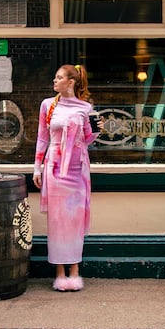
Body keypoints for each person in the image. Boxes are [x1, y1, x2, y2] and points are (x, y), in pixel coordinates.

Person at [33, 64, 102, 292]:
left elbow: (85, 139)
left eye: (59, 77)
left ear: (70, 82)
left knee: (74, 221)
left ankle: (74, 272)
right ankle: (60, 273)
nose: (54, 81)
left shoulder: (85, 108)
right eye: (55, 77)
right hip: (54, 168)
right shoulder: (48, 105)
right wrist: (37, 168)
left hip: (77, 169)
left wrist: (97, 131)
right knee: (58, 221)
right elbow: (42, 138)